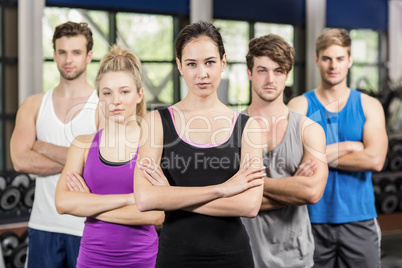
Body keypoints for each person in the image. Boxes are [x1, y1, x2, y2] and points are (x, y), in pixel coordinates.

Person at [133, 21, 265, 268]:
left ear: (223, 62)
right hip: (175, 256)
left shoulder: (249, 127)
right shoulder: (156, 122)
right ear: (179, 65)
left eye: (210, 62)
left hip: (232, 257)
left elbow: (249, 205)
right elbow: (145, 199)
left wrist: (171, 195)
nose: (202, 73)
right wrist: (223, 189)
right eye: (192, 64)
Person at [55, 45, 163, 267]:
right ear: (99, 97)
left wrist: (90, 206)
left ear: (139, 94)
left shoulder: (152, 143)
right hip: (92, 260)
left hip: (143, 260)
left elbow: (156, 215)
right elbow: (63, 203)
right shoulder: (82, 145)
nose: (115, 100)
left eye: (124, 91)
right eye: (107, 93)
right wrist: (129, 199)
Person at [288, 28, 388, 268]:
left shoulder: (369, 105)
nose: (333, 65)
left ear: (350, 60)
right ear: (316, 60)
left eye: (340, 58)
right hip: (311, 221)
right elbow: (294, 161)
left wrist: (317, 156)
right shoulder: (299, 106)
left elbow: (375, 160)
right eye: (327, 58)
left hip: (360, 220)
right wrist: (348, 146)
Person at [10, 21, 99, 268]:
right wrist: (78, 159)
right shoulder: (34, 104)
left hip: (87, 226)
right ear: (54, 55)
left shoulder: (103, 106)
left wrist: (42, 146)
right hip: (43, 225)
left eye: (76, 52)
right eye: (62, 52)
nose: (68, 59)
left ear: (89, 55)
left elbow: (100, 162)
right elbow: (20, 161)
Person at [240, 34, 328, 268]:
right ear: (249, 73)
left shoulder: (309, 130)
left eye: (278, 71)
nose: (270, 79)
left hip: (295, 259)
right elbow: (229, 198)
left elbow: (311, 191)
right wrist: (292, 189)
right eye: (262, 70)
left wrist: (245, 182)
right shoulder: (230, 128)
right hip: (244, 255)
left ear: (287, 75)